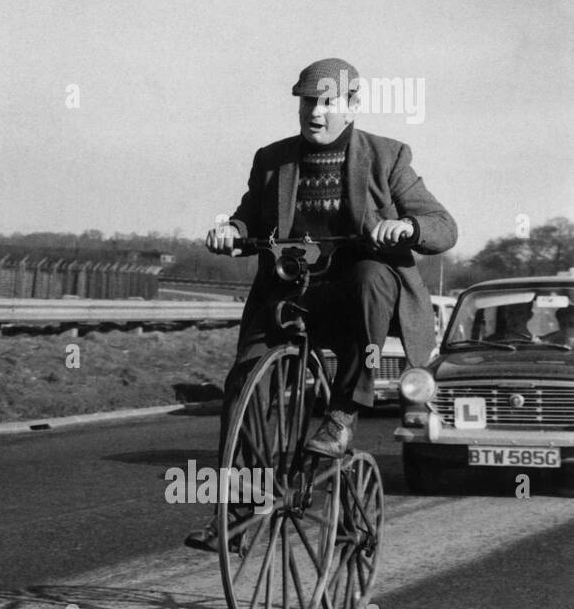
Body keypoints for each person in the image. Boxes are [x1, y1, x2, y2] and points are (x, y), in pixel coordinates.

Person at [186, 57, 458, 552]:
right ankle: (240, 510)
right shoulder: (272, 160)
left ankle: (343, 414)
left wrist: (407, 228)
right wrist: (232, 231)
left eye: (328, 102)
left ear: (351, 107)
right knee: (244, 382)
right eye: (308, 101)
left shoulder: (387, 156)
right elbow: (249, 219)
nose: (316, 112)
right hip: (291, 293)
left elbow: (443, 226)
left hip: (354, 300)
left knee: (373, 274)